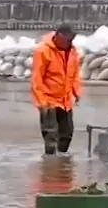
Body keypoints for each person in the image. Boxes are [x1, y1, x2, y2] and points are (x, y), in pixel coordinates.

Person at [30, 24, 82, 155]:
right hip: (48, 100)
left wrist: (77, 92)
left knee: (67, 133)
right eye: (68, 40)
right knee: (51, 135)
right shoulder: (43, 51)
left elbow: (74, 74)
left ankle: (61, 161)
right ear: (59, 36)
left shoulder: (72, 52)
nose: (70, 43)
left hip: (65, 100)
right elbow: (37, 79)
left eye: (72, 40)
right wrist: (42, 102)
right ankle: (51, 165)